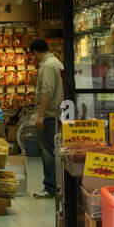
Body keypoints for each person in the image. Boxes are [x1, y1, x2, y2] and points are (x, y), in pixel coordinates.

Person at [30, 38, 64, 199]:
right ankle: (57, 186)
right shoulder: (55, 62)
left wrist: (41, 115)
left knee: (49, 151)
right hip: (56, 114)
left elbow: (47, 92)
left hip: (50, 115)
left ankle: (50, 187)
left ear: (35, 52)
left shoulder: (48, 66)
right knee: (54, 150)